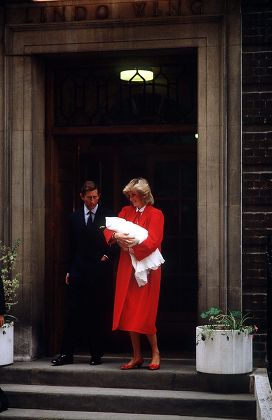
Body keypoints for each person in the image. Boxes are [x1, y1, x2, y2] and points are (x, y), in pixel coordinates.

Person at [51, 180, 115, 366]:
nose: (93, 201)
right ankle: (66, 354)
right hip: (78, 270)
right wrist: (68, 270)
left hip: (99, 272)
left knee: (96, 313)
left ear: (99, 195)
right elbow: (70, 246)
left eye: (95, 197)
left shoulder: (108, 216)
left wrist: (107, 255)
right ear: (82, 197)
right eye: (89, 198)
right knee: (72, 313)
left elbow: (116, 241)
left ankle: (96, 354)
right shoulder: (74, 217)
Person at [104, 177, 164, 370]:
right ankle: (137, 355)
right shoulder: (125, 212)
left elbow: (154, 240)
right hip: (127, 268)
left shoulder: (156, 214)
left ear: (144, 195)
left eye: (134, 195)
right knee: (129, 310)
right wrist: (115, 236)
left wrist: (131, 246)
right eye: (129, 195)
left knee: (146, 311)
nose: (131, 199)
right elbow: (107, 229)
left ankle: (155, 352)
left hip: (147, 268)